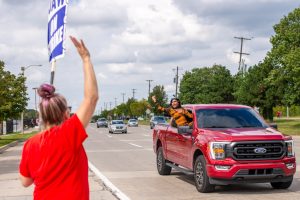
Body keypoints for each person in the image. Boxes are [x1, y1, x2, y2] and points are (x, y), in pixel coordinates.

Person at [19, 36, 98, 200]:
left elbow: (25, 181)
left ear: (41, 115)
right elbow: (91, 98)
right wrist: (85, 58)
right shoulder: (69, 133)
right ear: (66, 114)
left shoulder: (30, 144)